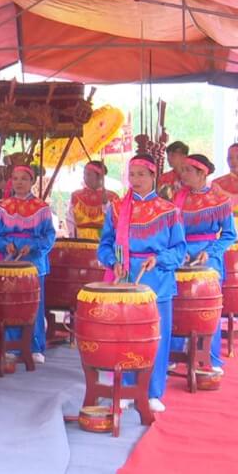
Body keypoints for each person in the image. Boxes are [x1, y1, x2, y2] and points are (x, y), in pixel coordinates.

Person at [98, 153, 185, 412]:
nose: (135, 180)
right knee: (125, 338)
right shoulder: (116, 208)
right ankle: (125, 388)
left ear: (153, 177)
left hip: (157, 281)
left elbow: (179, 250)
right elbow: (104, 244)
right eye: (132, 174)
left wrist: (158, 259)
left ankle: (152, 391)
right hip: (124, 279)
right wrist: (111, 261)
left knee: (156, 337)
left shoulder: (169, 210)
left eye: (141, 174)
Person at [171, 154, 236, 374]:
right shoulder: (177, 199)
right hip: (182, 256)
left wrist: (210, 252)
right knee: (178, 305)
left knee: (208, 310)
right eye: (183, 169)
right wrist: (178, 251)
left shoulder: (220, 201)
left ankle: (211, 358)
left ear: (202, 173)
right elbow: (170, 231)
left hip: (209, 258)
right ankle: (173, 354)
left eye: (188, 170)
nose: (183, 174)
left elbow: (229, 235)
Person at [0, 165, 56, 363]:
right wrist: (5, 244)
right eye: (16, 178)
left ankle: (35, 346)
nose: (19, 182)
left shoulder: (42, 208)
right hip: (10, 261)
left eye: (24, 179)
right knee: (10, 304)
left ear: (32, 182)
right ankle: (11, 346)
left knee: (34, 304)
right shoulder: (2, 207)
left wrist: (34, 245)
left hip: (33, 261)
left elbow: (50, 235)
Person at [66, 161, 120, 240]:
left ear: (100, 177)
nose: (84, 177)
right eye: (84, 174)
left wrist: (106, 204)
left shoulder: (112, 197)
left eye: (88, 174)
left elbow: (117, 222)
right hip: (80, 242)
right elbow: (70, 220)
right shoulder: (76, 196)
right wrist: (73, 238)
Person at [212, 143, 238, 228]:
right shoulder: (217, 183)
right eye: (230, 158)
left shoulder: (218, 187)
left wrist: (222, 193)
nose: (234, 161)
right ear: (227, 160)